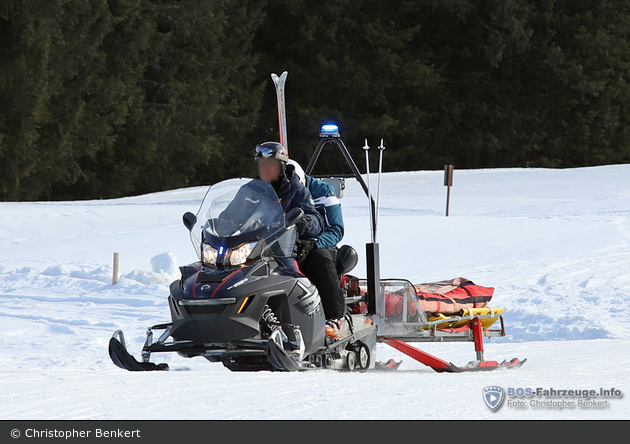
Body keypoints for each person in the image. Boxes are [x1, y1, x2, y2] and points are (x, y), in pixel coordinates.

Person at [289, 160, 346, 339]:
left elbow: (336, 229)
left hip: (321, 244)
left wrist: (314, 243)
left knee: (318, 258)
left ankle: (335, 317)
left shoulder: (323, 191)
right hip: (284, 244)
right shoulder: (276, 191)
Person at [254, 142, 325, 272]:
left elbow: (317, 221)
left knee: (291, 276)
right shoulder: (251, 190)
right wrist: (219, 223)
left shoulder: (296, 190)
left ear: (281, 166)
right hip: (250, 250)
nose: (264, 168)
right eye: (261, 164)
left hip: (283, 251)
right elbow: (233, 214)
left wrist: (306, 221)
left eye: (269, 165)